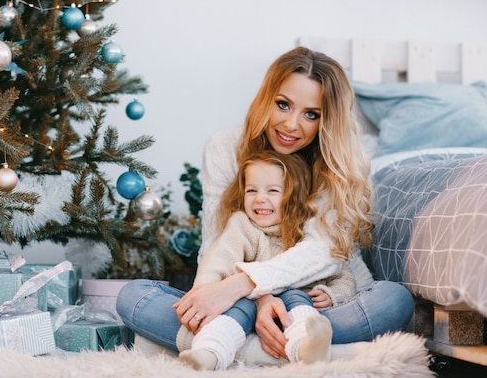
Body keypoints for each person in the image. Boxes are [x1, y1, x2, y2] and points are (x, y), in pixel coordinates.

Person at [116, 46, 414, 366]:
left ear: (327, 121)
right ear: (266, 98)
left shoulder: (338, 162)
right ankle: (310, 351)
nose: (290, 125)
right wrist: (260, 300)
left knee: (394, 299)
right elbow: (217, 244)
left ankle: (228, 348)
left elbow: (321, 254)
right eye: (283, 105)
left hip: (321, 301)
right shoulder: (225, 148)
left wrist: (245, 284)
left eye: (311, 114)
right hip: (237, 305)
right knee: (134, 296)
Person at [178, 150, 356, 370]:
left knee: (296, 295)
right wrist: (201, 300)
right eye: (251, 190)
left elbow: (341, 275)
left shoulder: (306, 233)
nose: (259, 198)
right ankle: (208, 353)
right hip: (246, 315)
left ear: (294, 196)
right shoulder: (242, 225)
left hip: (297, 314)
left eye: (273, 190)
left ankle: (305, 347)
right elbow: (218, 262)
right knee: (238, 306)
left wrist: (333, 295)